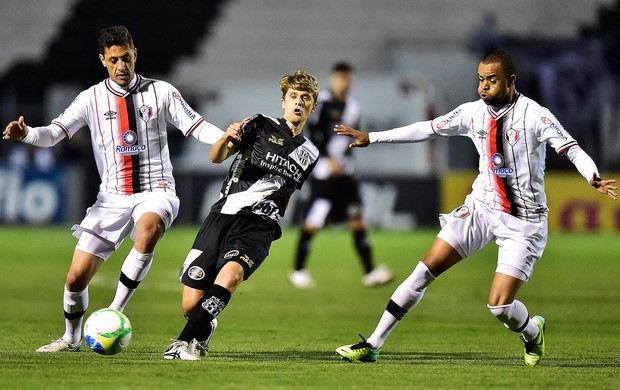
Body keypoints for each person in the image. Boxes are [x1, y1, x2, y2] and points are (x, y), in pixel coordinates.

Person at [334, 50, 617, 366]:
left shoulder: (536, 116)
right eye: (481, 79)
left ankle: (533, 332)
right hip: (483, 206)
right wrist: (372, 137)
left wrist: (593, 176)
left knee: (498, 306)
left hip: (524, 221)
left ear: (510, 81)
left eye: (491, 80)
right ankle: (373, 345)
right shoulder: (472, 113)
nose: (483, 87)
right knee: (424, 270)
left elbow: (571, 148)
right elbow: (427, 128)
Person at [2, 25, 228, 353]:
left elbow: (196, 126)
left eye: (127, 58)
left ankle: (114, 311)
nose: (122, 66)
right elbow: (53, 133)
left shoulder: (161, 92)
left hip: (156, 188)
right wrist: (26, 134)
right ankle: (71, 338)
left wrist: (226, 137)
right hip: (111, 197)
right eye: (114, 60)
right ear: (102, 61)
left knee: (148, 229)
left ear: (135, 56)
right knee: (75, 279)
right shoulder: (90, 99)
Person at [163, 70, 320, 360]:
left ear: (313, 106)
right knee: (191, 305)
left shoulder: (311, 153)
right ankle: (203, 330)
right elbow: (217, 156)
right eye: (293, 97)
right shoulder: (259, 124)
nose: (299, 102)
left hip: (261, 226)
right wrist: (226, 137)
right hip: (224, 214)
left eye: (305, 98)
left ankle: (180, 345)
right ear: (283, 102)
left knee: (231, 276)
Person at [290, 61, 393, 289]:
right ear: (333, 78)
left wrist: (347, 161)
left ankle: (370, 271)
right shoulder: (323, 102)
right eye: (340, 77)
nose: (344, 82)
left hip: (346, 172)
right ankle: (298, 270)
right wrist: (328, 158)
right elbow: (313, 133)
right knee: (314, 220)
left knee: (356, 219)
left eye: (348, 78)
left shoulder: (353, 106)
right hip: (325, 172)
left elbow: (350, 138)